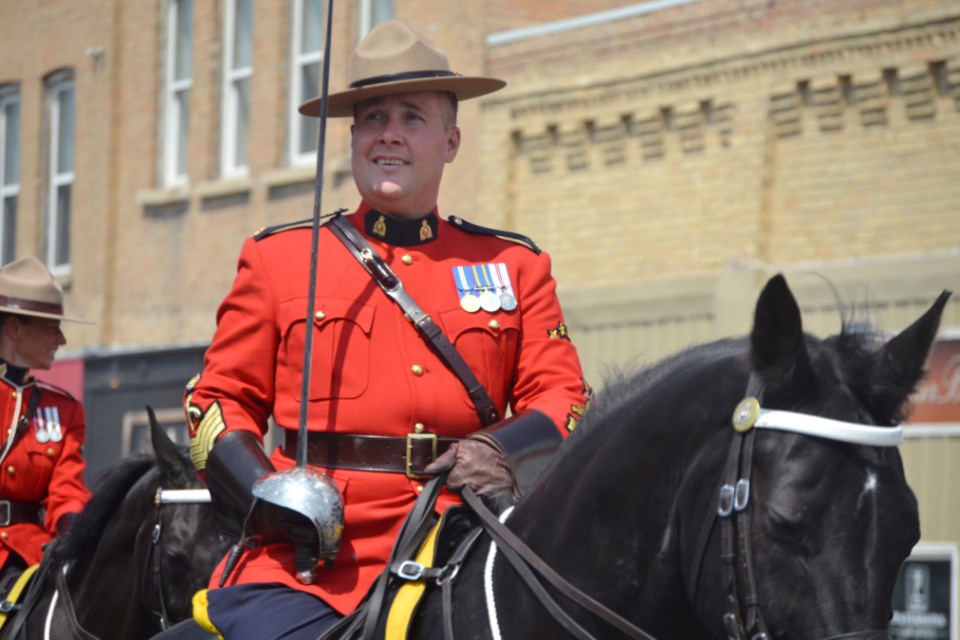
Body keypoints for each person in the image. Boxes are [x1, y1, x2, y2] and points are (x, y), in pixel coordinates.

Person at [183, 20, 590, 639]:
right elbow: (218, 402)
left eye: (411, 117)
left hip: (466, 540)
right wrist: (267, 494)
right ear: (351, 138)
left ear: (451, 141)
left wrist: (499, 450)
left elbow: (563, 398)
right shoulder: (280, 258)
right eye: (373, 118)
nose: (389, 135)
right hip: (311, 562)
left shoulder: (513, 265)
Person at [0, 257, 92, 587]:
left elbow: (67, 491)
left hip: (30, 556)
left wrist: (77, 533)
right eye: (52, 328)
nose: (61, 340)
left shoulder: (64, 409)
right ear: (14, 328)